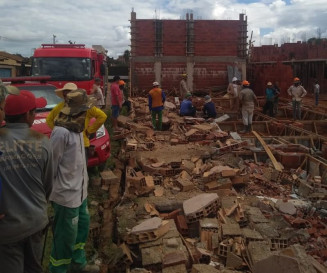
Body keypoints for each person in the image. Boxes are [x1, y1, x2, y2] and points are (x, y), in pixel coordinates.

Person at [0, 91, 53, 273]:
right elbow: (48, 184)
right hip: (35, 221)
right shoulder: (42, 142)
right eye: (34, 111)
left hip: (7, 228)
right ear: (27, 115)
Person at [49, 88, 98, 273]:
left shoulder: (78, 129)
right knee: (64, 237)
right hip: (66, 195)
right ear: (77, 110)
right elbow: (51, 166)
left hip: (81, 191)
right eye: (86, 109)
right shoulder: (60, 133)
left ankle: (78, 264)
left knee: (81, 230)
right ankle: (58, 269)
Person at [46, 82, 107, 163]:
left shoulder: (60, 107)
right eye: (66, 93)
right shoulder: (86, 107)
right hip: (81, 144)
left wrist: (59, 132)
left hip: (68, 145)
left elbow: (49, 120)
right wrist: (89, 131)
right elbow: (102, 116)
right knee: (80, 170)